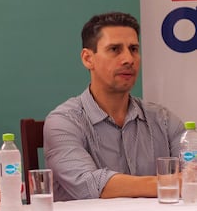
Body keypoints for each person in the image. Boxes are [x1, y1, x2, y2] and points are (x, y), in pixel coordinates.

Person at [44, 11, 185, 201]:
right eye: (115, 49)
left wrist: (185, 180)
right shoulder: (63, 122)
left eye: (134, 49)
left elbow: (192, 174)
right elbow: (90, 185)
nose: (129, 59)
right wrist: (171, 182)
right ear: (88, 58)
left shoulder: (164, 120)